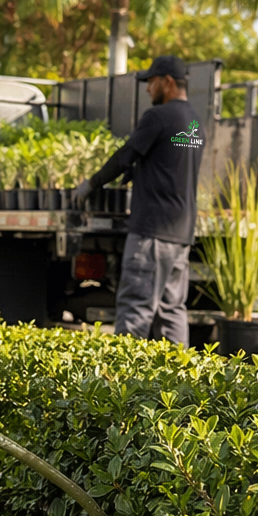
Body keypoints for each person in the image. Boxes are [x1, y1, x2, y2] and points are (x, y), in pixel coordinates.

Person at [72, 56, 206, 343]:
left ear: (167, 82)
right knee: (172, 311)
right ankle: (180, 379)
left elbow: (124, 156)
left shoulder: (157, 117)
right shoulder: (194, 123)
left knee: (136, 309)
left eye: (151, 82)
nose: (147, 89)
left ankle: (125, 382)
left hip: (151, 233)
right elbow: (170, 164)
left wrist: (91, 184)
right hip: (180, 234)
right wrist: (141, 172)